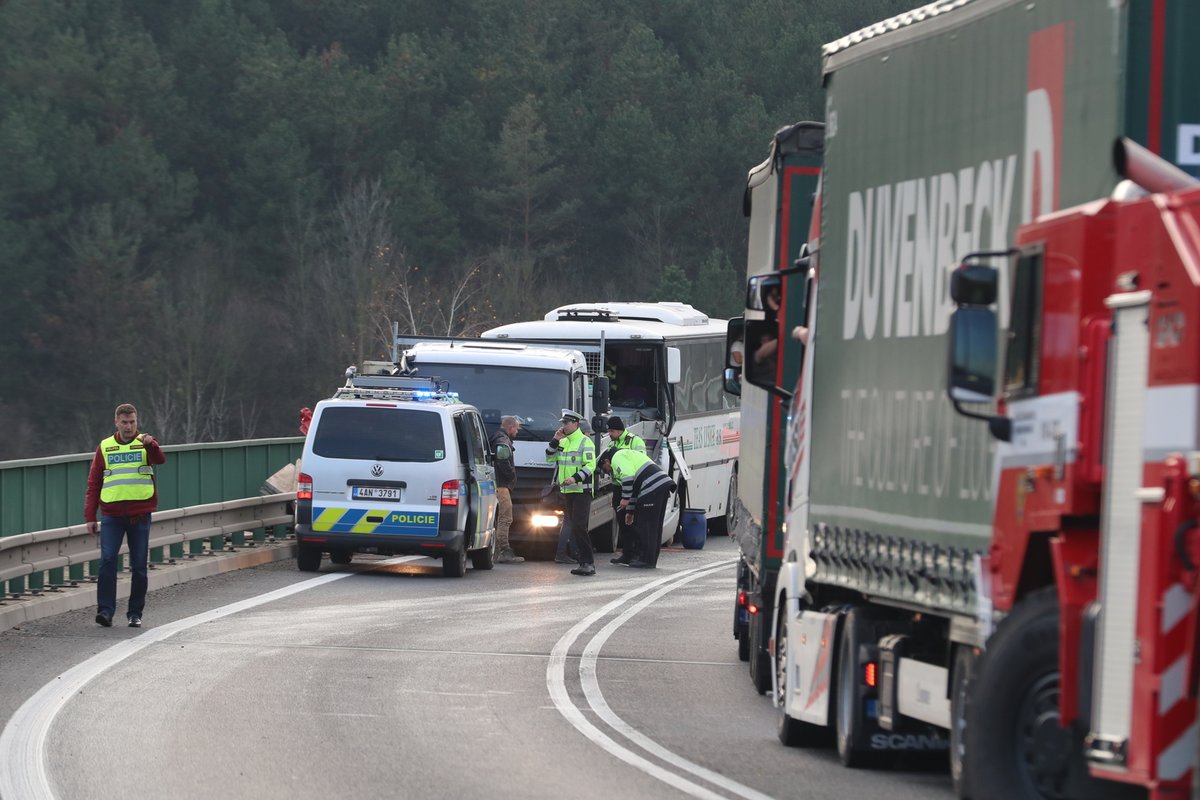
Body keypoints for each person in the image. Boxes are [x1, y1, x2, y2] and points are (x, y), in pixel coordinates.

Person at [84, 403, 166, 628]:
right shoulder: (105, 447)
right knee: (107, 561)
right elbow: (94, 483)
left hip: (139, 515)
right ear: (116, 423)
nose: (129, 426)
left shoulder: (146, 443)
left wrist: (152, 445)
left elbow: (160, 459)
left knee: (139, 565)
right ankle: (105, 611)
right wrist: (90, 516)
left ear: (136, 422)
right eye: (124, 422)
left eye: (132, 422)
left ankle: (135, 613)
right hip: (111, 515)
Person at [596, 447, 676, 569]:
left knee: (646, 525)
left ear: (606, 461)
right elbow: (634, 488)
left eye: (604, 469)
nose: (606, 472)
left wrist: (625, 499)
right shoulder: (627, 456)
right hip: (660, 486)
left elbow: (628, 477)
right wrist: (630, 511)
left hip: (652, 487)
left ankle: (646, 560)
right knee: (654, 526)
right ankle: (650, 559)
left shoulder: (617, 457)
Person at [547, 409, 596, 576]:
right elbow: (549, 458)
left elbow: (590, 466)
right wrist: (555, 440)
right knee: (576, 527)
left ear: (576, 424)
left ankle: (588, 563)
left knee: (580, 526)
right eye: (563, 423)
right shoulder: (564, 442)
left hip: (582, 490)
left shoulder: (585, 442)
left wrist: (575, 478)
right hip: (568, 491)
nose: (564, 426)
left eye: (566, 423)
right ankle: (583, 562)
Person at [605, 416, 646, 565]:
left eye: (610, 431)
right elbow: (612, 465)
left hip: (633, 486)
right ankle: (627, 554)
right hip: (618, 486)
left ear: (616, 430)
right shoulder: (612, 443)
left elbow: (641, 462)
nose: (609, 434)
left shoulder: (635, 441)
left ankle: (637, 554)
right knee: (622, 522)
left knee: (633, 521)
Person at [489, 415, 524, 564]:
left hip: (497, 485)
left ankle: (496, 552)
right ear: (510, 428)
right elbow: (502, 459)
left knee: (498, 520)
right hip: (501, 486)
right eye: (516, 428)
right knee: (505, 519)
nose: (517, 432)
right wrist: (511, 475)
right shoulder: (503, 441)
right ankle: (504, 551)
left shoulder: (497, 437)